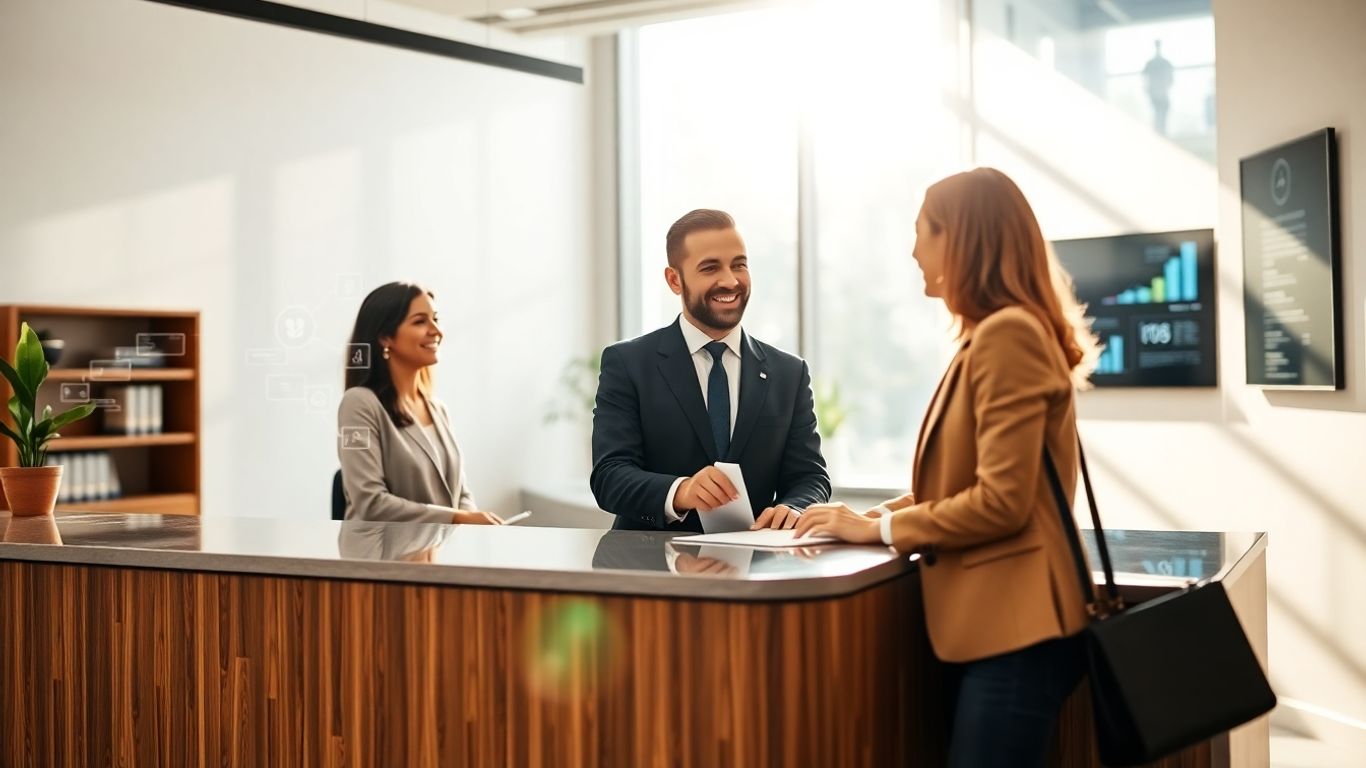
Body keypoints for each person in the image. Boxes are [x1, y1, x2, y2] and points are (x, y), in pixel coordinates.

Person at [795, 168, 1100, 767]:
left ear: (961, 239)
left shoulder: (1007, 335)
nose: (913, 251)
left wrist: (880, 531)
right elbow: (964, 484)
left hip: (1017, 630)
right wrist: (871, 515)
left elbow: (1001, 501)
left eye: (922, 233)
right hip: (1005, 627)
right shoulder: (996, 333)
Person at [591, 209, 831, 532]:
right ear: (675, 280)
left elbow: (811, 477)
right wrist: (681, 491)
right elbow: (609, 476)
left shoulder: (790, 374)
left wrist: (795, 507)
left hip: (757, 570)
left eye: (739, 265)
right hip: (651, 572)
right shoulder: (628, 364)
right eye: (710, 267)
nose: (730, 280)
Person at [336, 281, 502, 525]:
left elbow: (461, 493)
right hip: (382, 557)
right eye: (420, 321)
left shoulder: (437, 409)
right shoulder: (359, 404)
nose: (436, 330)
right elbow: (370, 503)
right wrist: (457, 518)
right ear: (385, 337)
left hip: (437, 555)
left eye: (435, 319)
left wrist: (473, 524)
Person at [1143, 40, 1175, 135]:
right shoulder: (1154, 63)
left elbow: (1170, 79)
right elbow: (1145, 79)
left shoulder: (1162, 62)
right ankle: (1160, 132)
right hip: (1157, 93)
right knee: (1159, 113)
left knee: (1161, 113)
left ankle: (1161, 132)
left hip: (1159, 93)